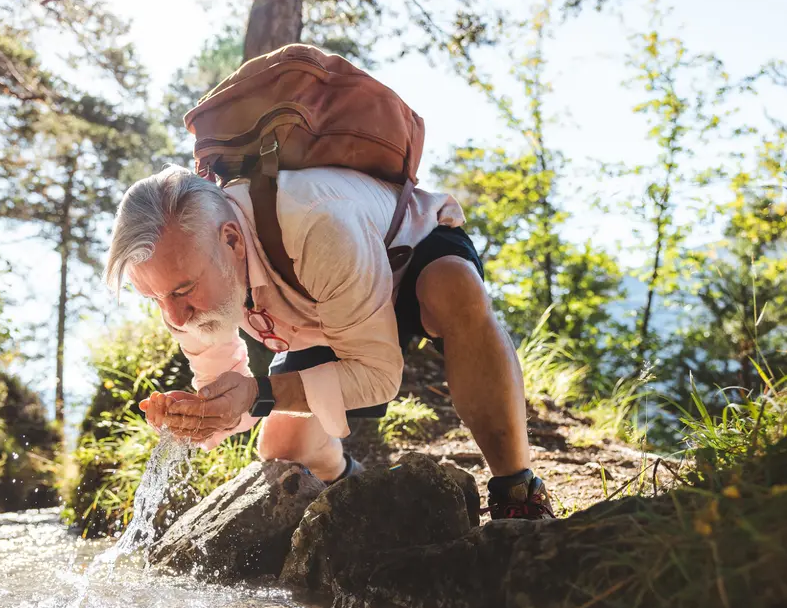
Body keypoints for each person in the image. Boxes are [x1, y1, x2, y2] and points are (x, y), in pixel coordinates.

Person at [103, 164, 554, 519]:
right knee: (284, 456)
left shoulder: (316, 223)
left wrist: (259, 394)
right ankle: (350, 483)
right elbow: (230, 402)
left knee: (454, 288)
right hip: (319, 311)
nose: (173, 316)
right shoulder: (190, 270)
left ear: (232, 240)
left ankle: (517, 488)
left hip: (405, 260)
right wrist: (199, 414)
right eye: (154, 297)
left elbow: (378, 377)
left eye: (181, 291)